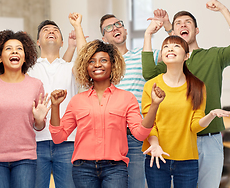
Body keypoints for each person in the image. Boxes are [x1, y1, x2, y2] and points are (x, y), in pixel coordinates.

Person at [142, 0, 230, 187]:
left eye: (188, 23)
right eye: (178, 24)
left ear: (197, 30)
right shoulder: (173, 63)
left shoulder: (214, 56)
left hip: (209, 138)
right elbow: (149, 74)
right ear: (173, 33)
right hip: (178, 142)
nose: (183, 25)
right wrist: (151, 34)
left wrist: (224, 9)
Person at [49, 39, 163, 188]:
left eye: (103, 60)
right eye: (91, 61)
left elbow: (140, 134)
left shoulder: (127, 98)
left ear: (113, 65)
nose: (97, 65)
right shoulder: (77, 101)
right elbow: (58, 137)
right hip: (83, 169)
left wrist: (154, 105)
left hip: (115, 169)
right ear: (85, 66)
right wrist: (55, 106)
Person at [141, 35, 230, 188]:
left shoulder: (198, 87)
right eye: (166, 46)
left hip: (187, 160)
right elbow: (149, 122)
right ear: (162, 56)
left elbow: (194, 126)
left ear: (186, 56)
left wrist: (210, 115)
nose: (170, 48)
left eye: (176, 46)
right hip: (156, 156)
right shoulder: (151, 85)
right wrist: (155, 145)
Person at [0, 30, 51, 188]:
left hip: (25, 158)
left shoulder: (36, 85)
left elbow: (39, 126)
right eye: (8, 48)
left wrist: (38, 119)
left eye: (19, 48)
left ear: (25, 57)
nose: (15, 51)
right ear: (0, 58)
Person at [99, 14, 162, 188]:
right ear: (104, 38)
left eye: (118, 24)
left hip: (136, 134)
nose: (115, 28)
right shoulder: (101, 65)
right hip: (109, 134)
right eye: (109, 27)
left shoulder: (144, 56)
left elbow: (175, 52)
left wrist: (166, 27)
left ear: (125, 30)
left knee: (136, 184)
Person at [28, 13, 86, 188]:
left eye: (55, 30)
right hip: (34, 141)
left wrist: (77, 26)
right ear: (38, 42)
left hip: (68, 141)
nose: (51, 31)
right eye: (45, 30)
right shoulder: (28, 68)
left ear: (62, 42)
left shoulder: (71, 68)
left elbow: (85, 58)